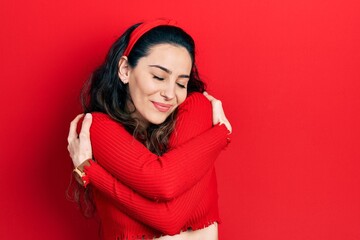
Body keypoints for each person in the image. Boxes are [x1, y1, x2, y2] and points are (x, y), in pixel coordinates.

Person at [67, 19, 232, 240]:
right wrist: (221, 135)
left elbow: (169, 215)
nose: (170, 93)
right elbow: (166, 207)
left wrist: (91, 172)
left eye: (181, 83)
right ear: (125, 70)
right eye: (158, 77)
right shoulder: (94, 128)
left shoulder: (197, 109)